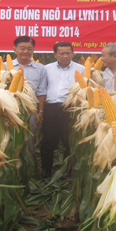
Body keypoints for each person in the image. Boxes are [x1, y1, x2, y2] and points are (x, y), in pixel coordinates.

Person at [40, 42, 85, 177]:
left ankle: (68, 171)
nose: (65, 56)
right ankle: (46, 171)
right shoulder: (46, 69)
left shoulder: (81, 69)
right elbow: (42, 88)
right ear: (55, 54)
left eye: (68, 53)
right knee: (48, 141)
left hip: (72, 108)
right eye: (61, 53)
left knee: (69, 141)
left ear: (73, 53)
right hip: (51, 108)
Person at [11, 36, 47, 166]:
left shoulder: (40, 69)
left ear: (33, 50)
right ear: (15, 50)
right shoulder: (3, 67)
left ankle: (29, 167)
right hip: (10, 108)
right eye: (22, 48)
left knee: (30, 138)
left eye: (29, 49)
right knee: (10, 137)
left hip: (30, 109)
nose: (26, 51)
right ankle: (11, 166)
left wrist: (40, 111)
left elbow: (41, 92)